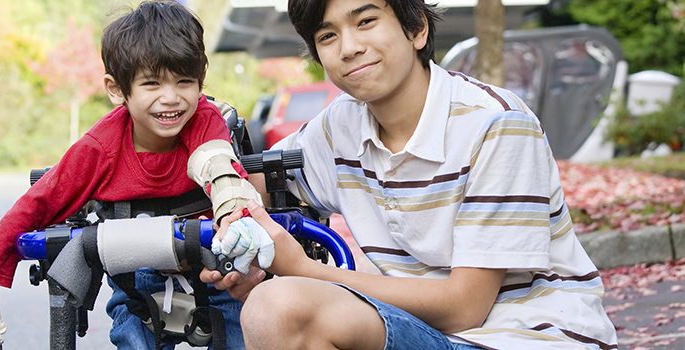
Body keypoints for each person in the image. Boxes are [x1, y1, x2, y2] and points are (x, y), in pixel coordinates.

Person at [203, 0, 618, 349]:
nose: (348, 48)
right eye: (327, 36)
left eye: (365, 21)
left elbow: (465, 307)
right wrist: (236, 243)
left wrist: (305, 270)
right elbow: (250, 187)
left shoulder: (494, 124)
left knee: (281, 305)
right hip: (424, 333)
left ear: (416, 28)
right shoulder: (338, 128)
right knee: (267, 304)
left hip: (528, 336)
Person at [0, 1, 267, 349]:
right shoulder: (100, 148)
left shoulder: (205, 120)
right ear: (117, 89)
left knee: (247, 329)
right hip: (137, 278)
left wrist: (234, 212)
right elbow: (37, 205)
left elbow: (220, 167)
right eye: (151, 83)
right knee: (132, 331)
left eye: (184, 81)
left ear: (200, 81)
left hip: (215, 270)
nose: (171, 98)